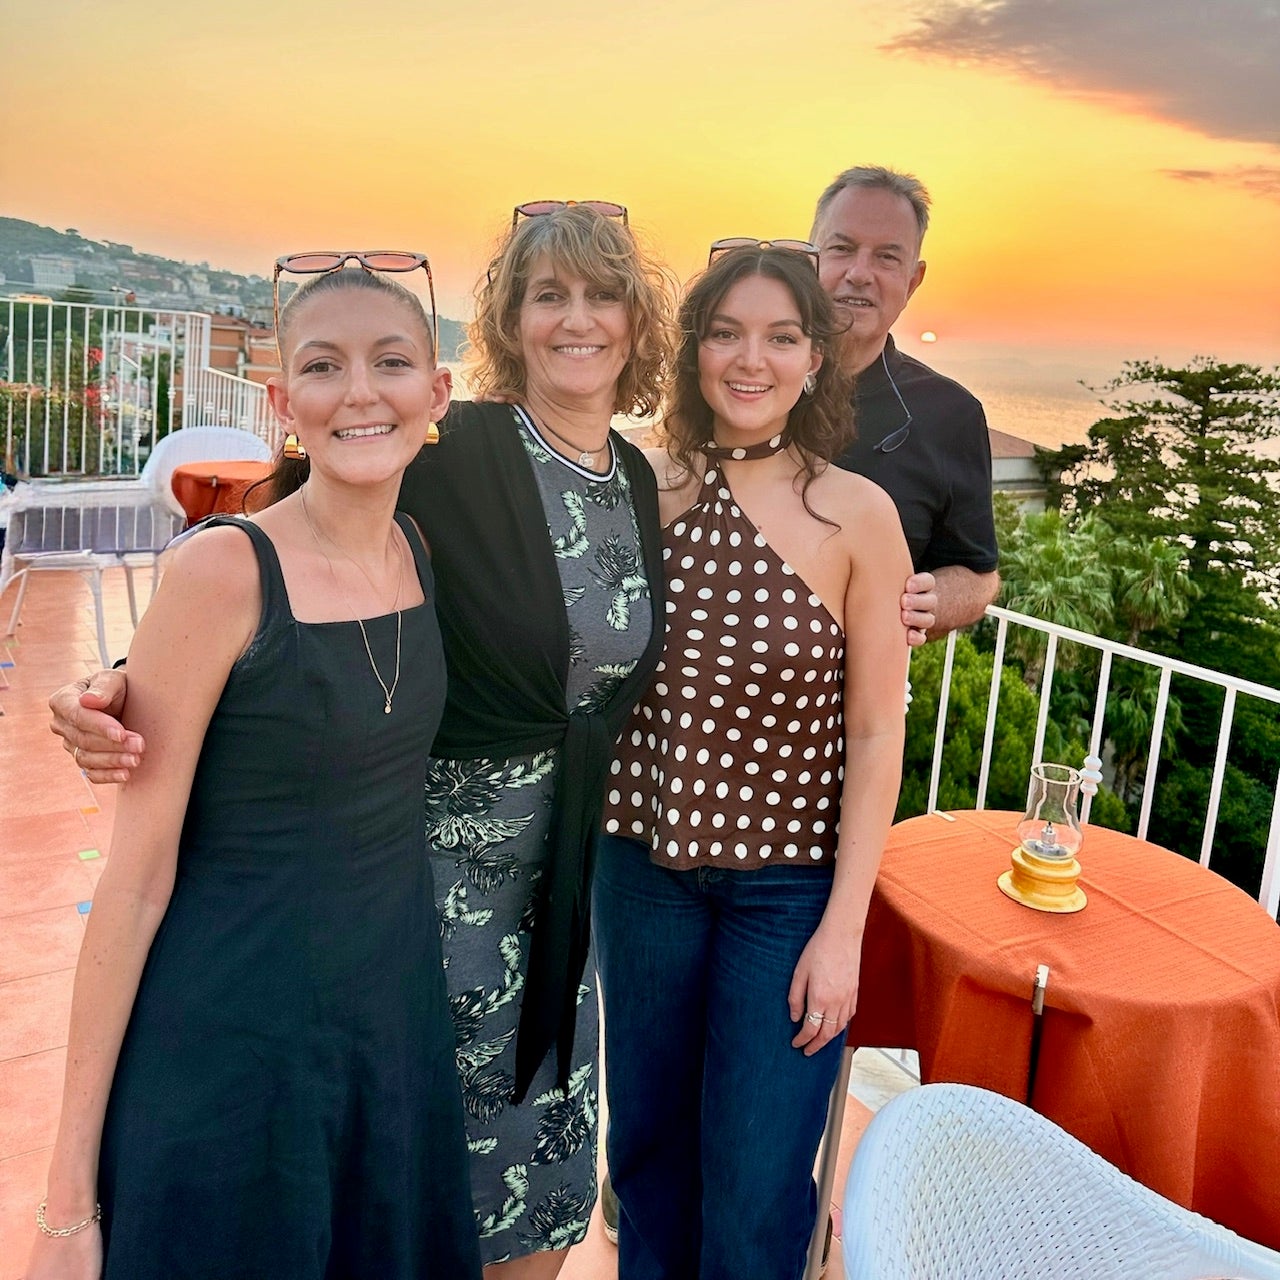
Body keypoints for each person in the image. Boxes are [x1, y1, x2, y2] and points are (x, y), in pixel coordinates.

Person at [46, 202, 675, 1279]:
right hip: (370, 933)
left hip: (516, 921)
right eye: (546, 294)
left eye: (600, 292)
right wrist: (126, 686)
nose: (576, 319)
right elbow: (285, 534)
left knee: (482, 1212)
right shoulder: (447, 456)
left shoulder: (603, 491)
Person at [26, 260, 482, 1279]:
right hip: (231, 1056)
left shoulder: (416, 548)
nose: (360, 391)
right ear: (283, 403)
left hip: (385, 1042)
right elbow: (134, 879)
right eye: (323, 365)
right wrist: (67, 1200)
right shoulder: (222, 569)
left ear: (437, 392)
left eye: (392, 361)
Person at [593, 243, 911, 1280]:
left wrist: (843, 930)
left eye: (779, 335)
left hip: (784, 893)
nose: (749, 358)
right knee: (646, 1163)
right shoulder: (633, 479)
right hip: (639, 874)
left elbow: (872, 733)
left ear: (814, 356)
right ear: (690, 352)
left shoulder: (856, 513)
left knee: (755, 1184)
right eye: (725, 331)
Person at [812, 165, 1000, 637]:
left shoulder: (949, 414)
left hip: (854, 700)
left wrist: (931, 602)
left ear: (913, 281)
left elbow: (977, 574)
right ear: (808, 260)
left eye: (886, 258)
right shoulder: (746, 382)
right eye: (842, 248)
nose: (859, 273)